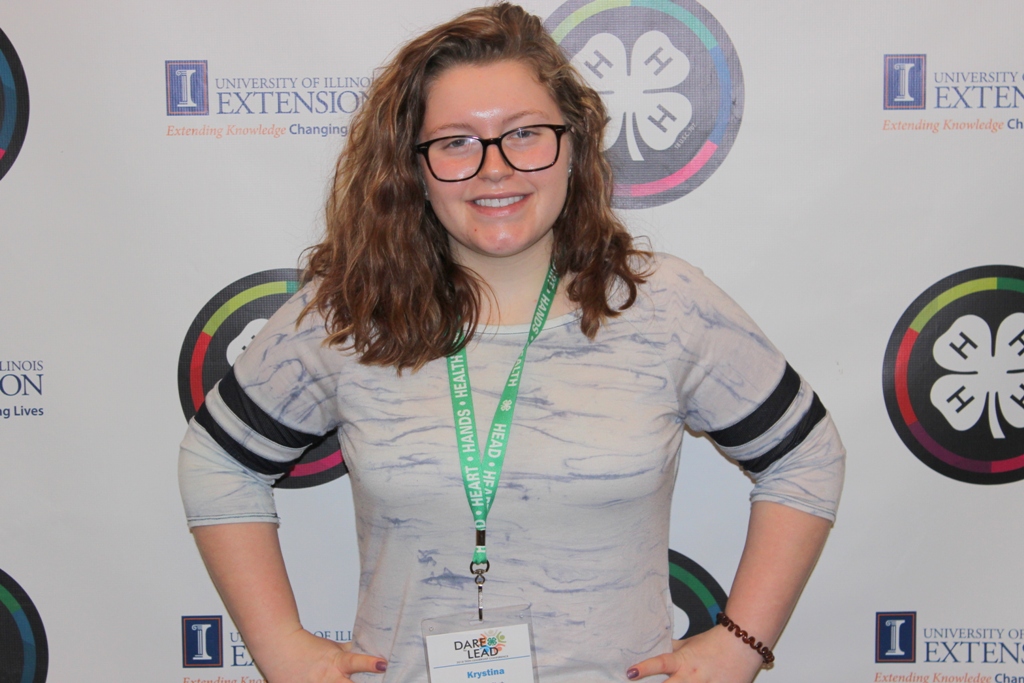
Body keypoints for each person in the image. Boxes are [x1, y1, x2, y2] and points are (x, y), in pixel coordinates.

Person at [178, 4, 845, 683]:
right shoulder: (349, 315)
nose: (494, 168)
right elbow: (217, 461)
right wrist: (280, 645)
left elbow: (807, 455)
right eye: (456, 142)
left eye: (524, 133)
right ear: (413, 167)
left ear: (573, 146)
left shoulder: (663, 306)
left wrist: (739, 644)